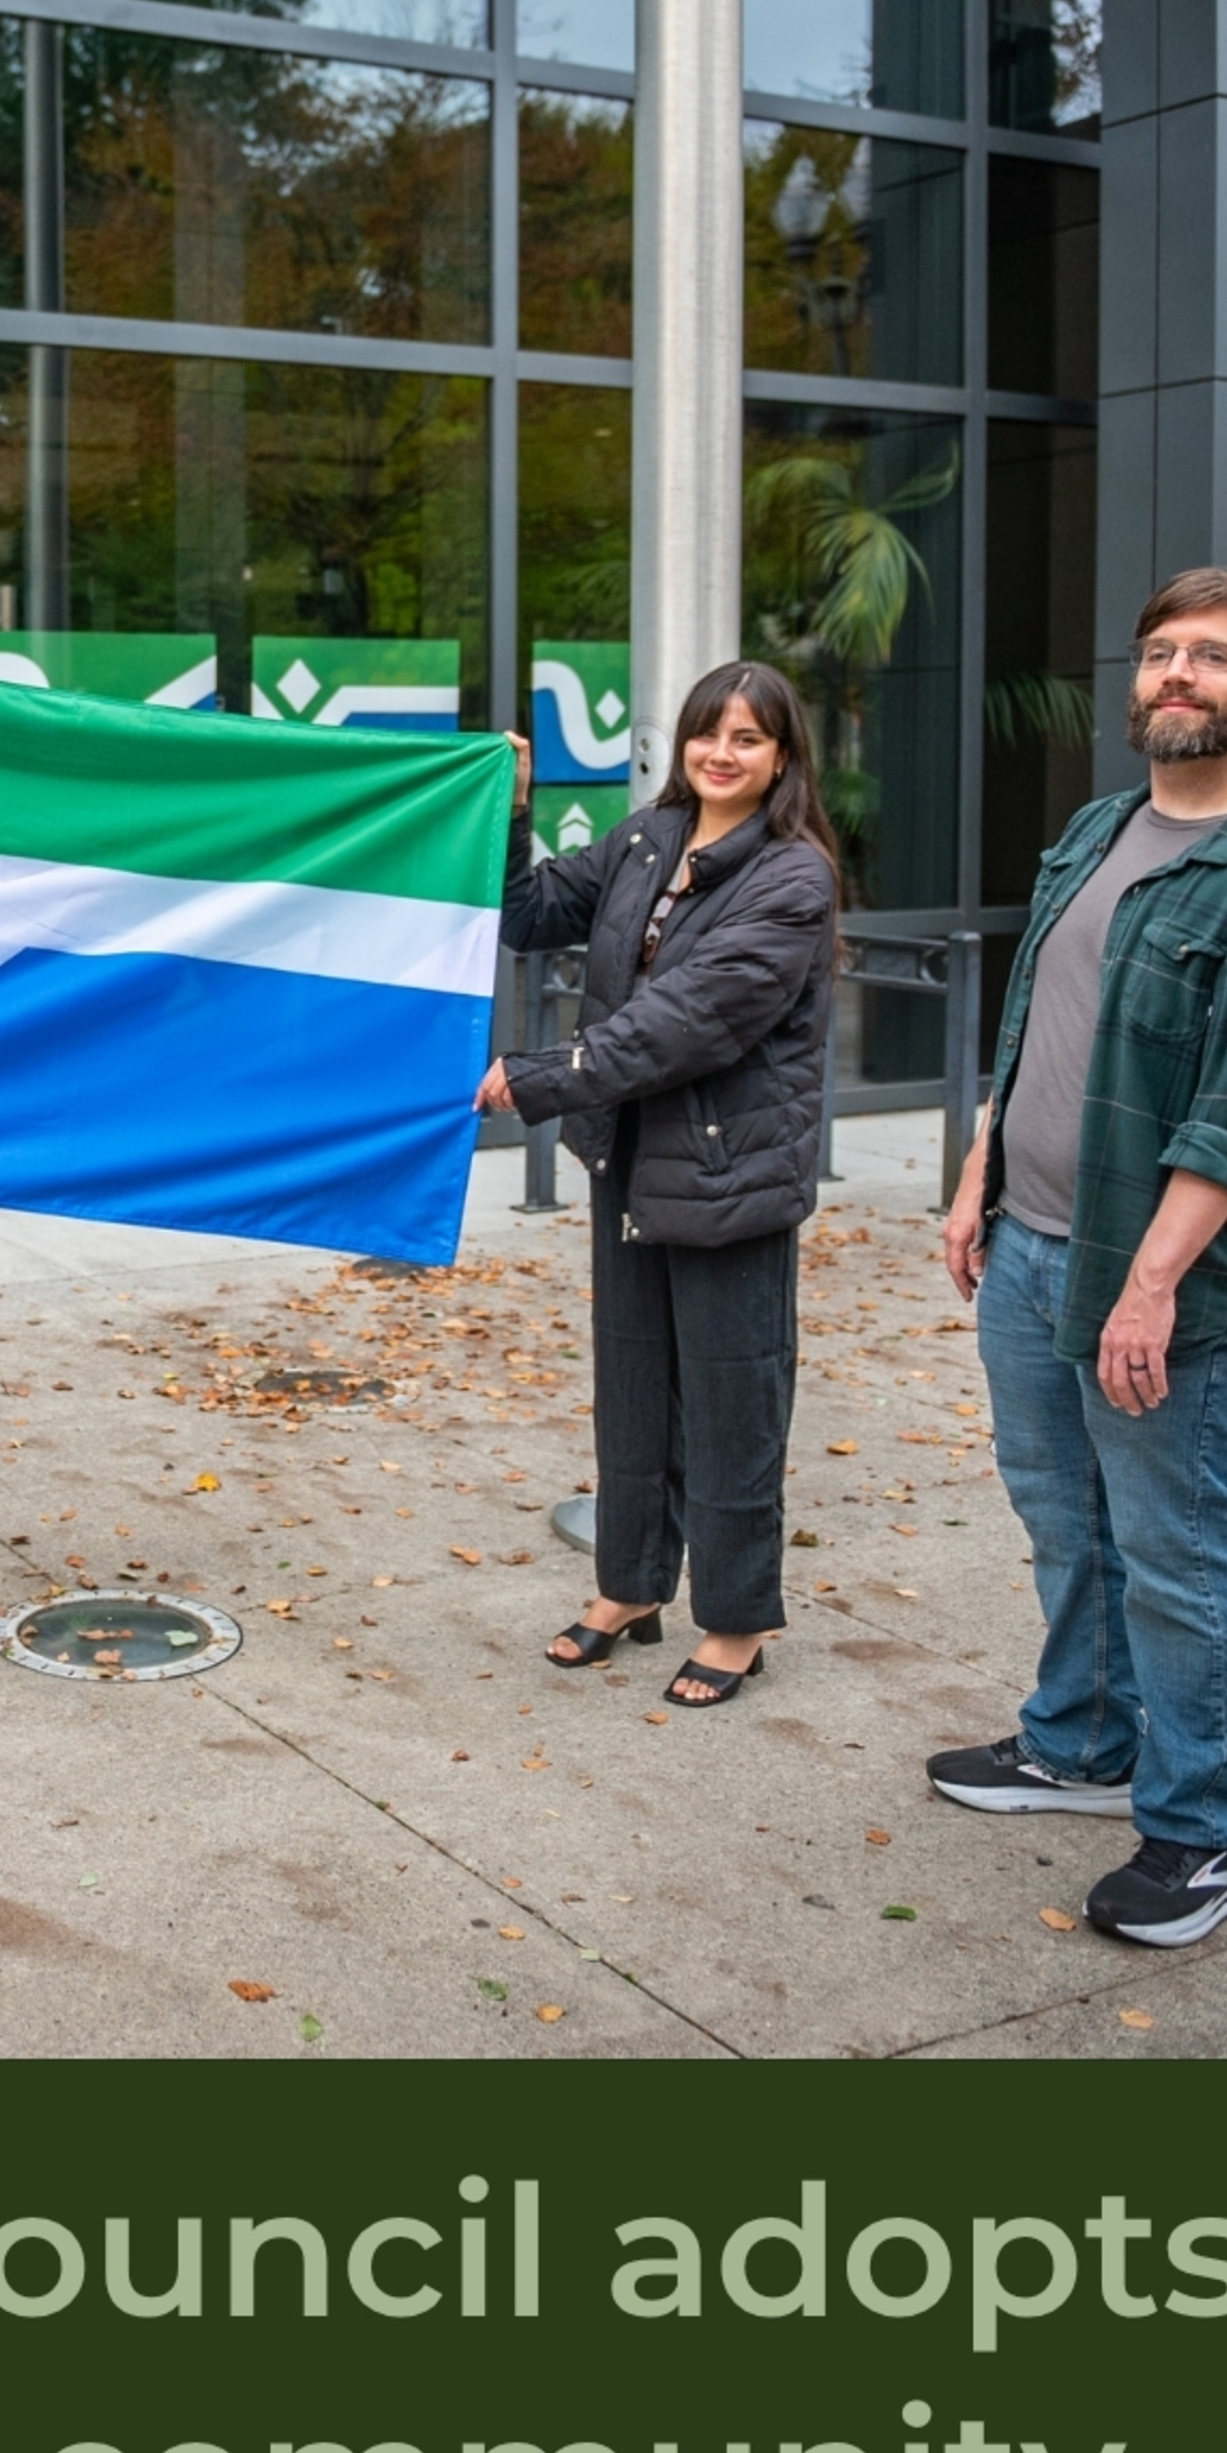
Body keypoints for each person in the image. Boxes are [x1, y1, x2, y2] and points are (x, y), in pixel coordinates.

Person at [931, 567, 1227, 1948]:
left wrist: (1150, 1288)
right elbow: (1036, 1021)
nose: (1175, 676)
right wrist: (976, 1173)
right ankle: (1081, 1740)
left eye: (1211, 657)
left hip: (1167, 1290)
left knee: (1179, 1550)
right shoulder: (1098, 832)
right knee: (1061, 1518)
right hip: (1027, 1252)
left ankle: (1206, 1834)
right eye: (1157, 654)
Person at [477, 662, 841, 1707]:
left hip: (729, 1176)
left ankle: (736, 1620)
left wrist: (543, 1077)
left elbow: (687, 1022)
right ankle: (629, 1590)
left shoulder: (790, 877)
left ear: (782, 759)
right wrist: (507, 810)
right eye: (706, 734)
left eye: (747, 740)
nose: (721, 755)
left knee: (733, 1407)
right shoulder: (647, 838)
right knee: (633, 1396)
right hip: (631, 1165)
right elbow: (528, 909)